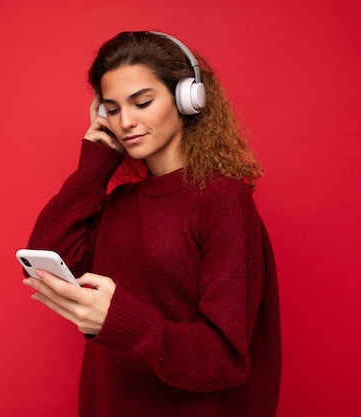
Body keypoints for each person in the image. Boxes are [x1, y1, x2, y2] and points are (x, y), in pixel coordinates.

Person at [22, 31, 281, 417]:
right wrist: (94, 166)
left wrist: (120, 320)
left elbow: (224, 359)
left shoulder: (222, 200)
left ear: (187, 99)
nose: (126, 122)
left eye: (142, 102)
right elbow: (49, 256)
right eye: (111, 108)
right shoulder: (121, 204)